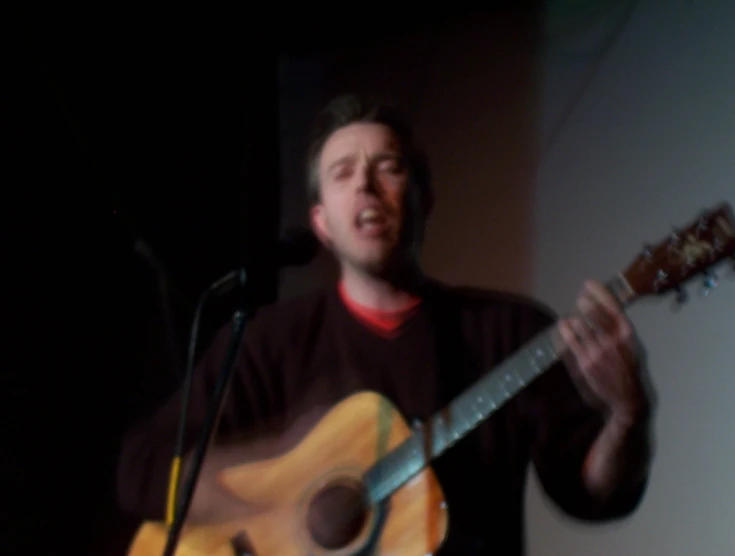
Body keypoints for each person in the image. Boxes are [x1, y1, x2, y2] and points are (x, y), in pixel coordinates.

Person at [117, 94, 654, 555]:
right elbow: (140, 470)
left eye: (389, 167)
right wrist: (277, 483)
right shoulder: (267, 340)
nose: (367, 187)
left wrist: (628, 418)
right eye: (343, 172)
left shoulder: (512, 332)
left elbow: (591, 493)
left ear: (424, 198)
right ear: (321, 221)